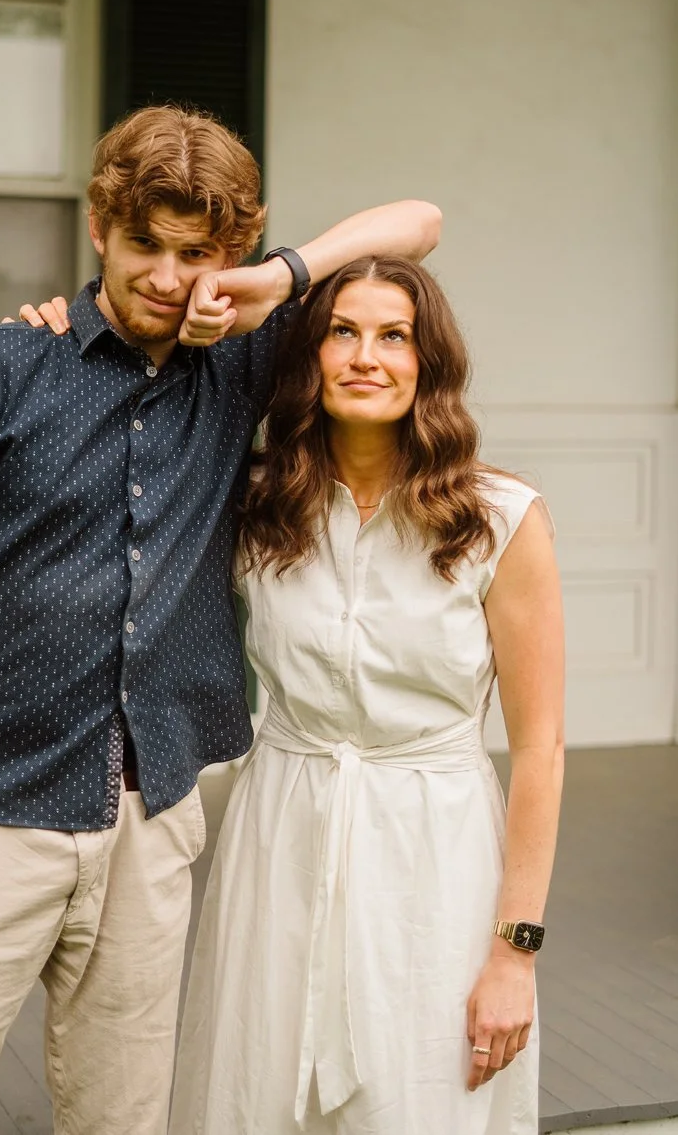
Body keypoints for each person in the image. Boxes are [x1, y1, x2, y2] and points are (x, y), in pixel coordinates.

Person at [0, 103, 441, 1135]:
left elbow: (419, 223)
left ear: (232, 252)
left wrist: (277, 280)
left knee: (121, 1119)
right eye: (145, 245)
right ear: (98, 229)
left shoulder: (243, 365)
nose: (167, 277)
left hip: (149, 820)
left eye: (197, 253)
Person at [167, 255, 565, 1135]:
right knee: (258, 1090)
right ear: (310, 355)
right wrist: (61, 324)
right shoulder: (257, 504)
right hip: (282, 833)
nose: (365, 356)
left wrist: (516, 952)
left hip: (436, 851)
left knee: (421, 1098)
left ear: (430, 363)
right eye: (342, 332)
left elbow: (541, 748)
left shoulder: (501, 518)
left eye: (395, 336)